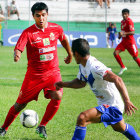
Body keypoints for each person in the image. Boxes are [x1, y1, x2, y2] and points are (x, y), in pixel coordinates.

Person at [0, 2, 72, 139]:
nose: (41, 18)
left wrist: (70, 54)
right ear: (33, 16)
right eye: (38, 16)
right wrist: (17, 54)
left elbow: (63, 39)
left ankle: (42, 126)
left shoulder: (56, 28)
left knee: (58, 96)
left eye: (43, 15)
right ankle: (3, 128)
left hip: (53, 72)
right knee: (19, 105)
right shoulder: (28, 32)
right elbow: (19, 47)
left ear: (47, 15)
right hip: (34, 76)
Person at [55, 38, 140, 140]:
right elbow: (81, 82)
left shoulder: (95, 67)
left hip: (113, 106)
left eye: (73, 53)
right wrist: (63, 84)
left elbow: (118, 79)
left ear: (76, 54)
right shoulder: (83, 65)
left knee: (83, 118)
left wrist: (127, 101)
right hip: (107, 103)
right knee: (120, 127)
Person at [114, 8, 140, 75]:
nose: (124, 15)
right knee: (115, 53)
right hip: (124, 42)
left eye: (126, 14)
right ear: (122, 14)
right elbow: (123, 31)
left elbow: (133, 32)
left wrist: (124, 33)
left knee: (135, 57)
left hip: (130, 42)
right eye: (123, 14)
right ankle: (123, 67)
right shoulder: (122, 21)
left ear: (128, 14)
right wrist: (120, 36)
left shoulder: (129, 21)